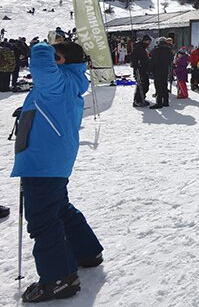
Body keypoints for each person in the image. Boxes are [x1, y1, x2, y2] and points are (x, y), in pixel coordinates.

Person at [12, 41, 103, 303]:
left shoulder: (58, 81)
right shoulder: (68, 80)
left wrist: (43, 45)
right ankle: (87, 252)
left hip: (43, 162)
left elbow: (40, 61)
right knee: (58, 207)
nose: (52, 61)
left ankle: (59, 279)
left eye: (57, 57)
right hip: (51, 159)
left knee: (42, 218)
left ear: (65, 62)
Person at [149, 37, 173, 109]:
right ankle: (166, 101)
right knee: (164, 85)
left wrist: (149, 69)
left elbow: (153, 60)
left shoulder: (156, 49)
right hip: (165, 69)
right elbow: (171, 59)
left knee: (158, 86)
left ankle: (159, 102)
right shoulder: (169, 50)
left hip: (157, 69)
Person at [130, 35, 151, 107]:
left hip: (143, 69)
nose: (149, 43)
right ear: (144, 41)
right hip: (139, 69)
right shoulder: (138, 47)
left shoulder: (143, 48)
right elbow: (133, 58)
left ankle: (142, 98)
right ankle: (137, 100)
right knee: (141, 85)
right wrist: (136, 66)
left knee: (145, 85)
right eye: (148, 41)